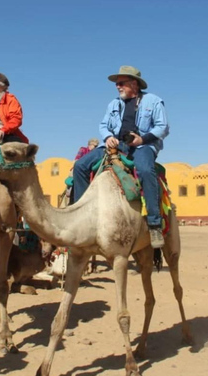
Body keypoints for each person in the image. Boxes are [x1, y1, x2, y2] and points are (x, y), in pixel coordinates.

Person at [72, 66, 169, 249]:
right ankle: (81, 216)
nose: (118, 86)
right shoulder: (113, 104)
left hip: (142, 145)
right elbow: (103, 125)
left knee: (145, 171)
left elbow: (162, 127)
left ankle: (154, 224)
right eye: (117, 84)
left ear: (134, 84)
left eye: (121, 83)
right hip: (115, 145)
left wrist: (142, 139)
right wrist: (108, 137)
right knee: (80, 166)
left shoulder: (153, 101)